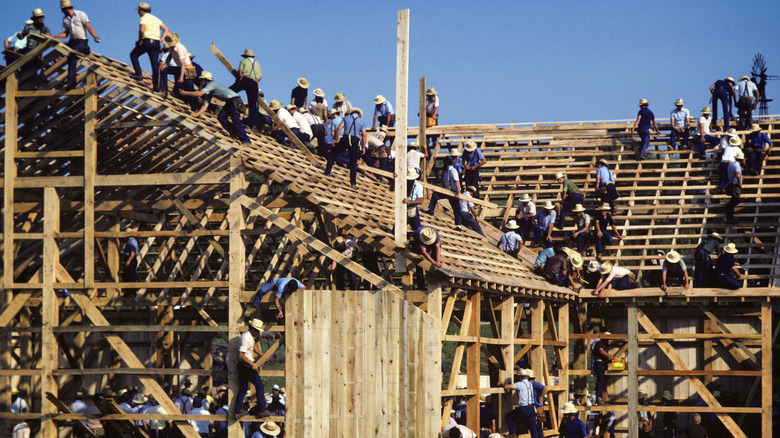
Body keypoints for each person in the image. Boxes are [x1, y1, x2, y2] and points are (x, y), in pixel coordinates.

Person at [180, 71, 251, 144]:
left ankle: (246, 140)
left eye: (201, 80)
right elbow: (205, 105)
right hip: (229, 102)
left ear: (205, 80)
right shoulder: (209, 91)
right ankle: (233, 132)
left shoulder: (212, 84)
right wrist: (196, 115)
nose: (200, 82)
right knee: (221, 117)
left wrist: (185, 93)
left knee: (235, 119)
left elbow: (200, 93)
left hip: (234, 100)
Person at [52, 0, 99, 89]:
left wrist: (94, 35)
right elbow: (65, 33)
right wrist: (57, 36)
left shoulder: (81, 14)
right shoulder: (65, 19)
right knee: (68, 57)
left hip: (82, 41)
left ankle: (70, 79)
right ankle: (72, 83)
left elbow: (88, 26)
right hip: (72, 41)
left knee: (73, 55)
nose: (62, 12)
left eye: (63, 10)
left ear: (67, 9)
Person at [234, 318, 271, 418]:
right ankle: (261, 410)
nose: (258, 333)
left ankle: (237, 412)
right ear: (254, 329)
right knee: (259, 386)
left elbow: (253, 345)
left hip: (243, 365)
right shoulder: (246, 338)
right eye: (258, 331)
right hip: (246, 366)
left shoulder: (249, 336)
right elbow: (240, 355)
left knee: (243, 388)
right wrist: (252, 364)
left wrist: (262, 355)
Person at [129, 2, 168, 92]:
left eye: (139, 11)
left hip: (146, 41)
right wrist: (160, 40)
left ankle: (138, 74)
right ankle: (155, 86)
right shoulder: (155, 19)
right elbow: (166, 29)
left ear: (142, 11)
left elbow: (142, 30)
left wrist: (140, 40)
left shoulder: (143, 18)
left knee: (133, 55)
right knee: (154, 64)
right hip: (156, 43)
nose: (138, 13)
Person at [325, 107, 367, 188]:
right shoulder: (362, 121)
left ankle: (327, 172)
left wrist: (336, 139)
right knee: (353, 162)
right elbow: (364, 135)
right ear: (358, 114)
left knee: (333, 154)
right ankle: (353, 183)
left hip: (346, 137)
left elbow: (339, 128)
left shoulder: (346, 118)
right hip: (355, 139)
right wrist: (364, 147)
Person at [229, 49, 262, 131]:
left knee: (229, 91)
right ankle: (254, 125)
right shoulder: (257, 63)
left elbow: (240, 73)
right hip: (254, 83)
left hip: (246, 80)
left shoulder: (243, 61)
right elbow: (260, 77)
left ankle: (229, 107)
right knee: (252, 105)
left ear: (245, 56)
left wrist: (238, 80)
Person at [502, 367, 540, 438]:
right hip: (531, 408)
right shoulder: (530, 384)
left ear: (520, 377)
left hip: (524, 408)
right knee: (533, 428)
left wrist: (502, 384)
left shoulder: (520, 384)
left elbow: (507, 386)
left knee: (509, 416)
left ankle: (513, 434)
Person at [159, 32, 194, 102]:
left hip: (188, 68)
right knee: (163, 70)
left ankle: (195, 106)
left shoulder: (180, 49)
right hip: (179, 67)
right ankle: (163, 91)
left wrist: (181, 76)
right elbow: (170, 56)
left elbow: (183, 64)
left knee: (190, 88)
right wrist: (165, 64)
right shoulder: (172, 47)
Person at [591, 332, 617, 404]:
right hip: (599, 363)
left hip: (603, 363)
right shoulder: (600, 343)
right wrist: (611, 357)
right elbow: (601, 351)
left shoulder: (604, 345)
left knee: (602, 380)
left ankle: (600, 397)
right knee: (600, 379)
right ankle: (599, 398)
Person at [527, 369, 549, 438]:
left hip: (537, 407)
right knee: (537, 426)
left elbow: (545, 388)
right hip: (536, 406)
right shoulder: (531, 384)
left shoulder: (534, 384)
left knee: (536, 426)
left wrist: (540, 397)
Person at [725, 151, 744, 224]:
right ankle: (730, 217)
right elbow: (738, 175)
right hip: (735, 185)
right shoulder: (737, 166)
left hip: (731, 184)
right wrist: (740, 184)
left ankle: (729, 211)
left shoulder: (731, 165)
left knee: (734, 200)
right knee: (735, 200)